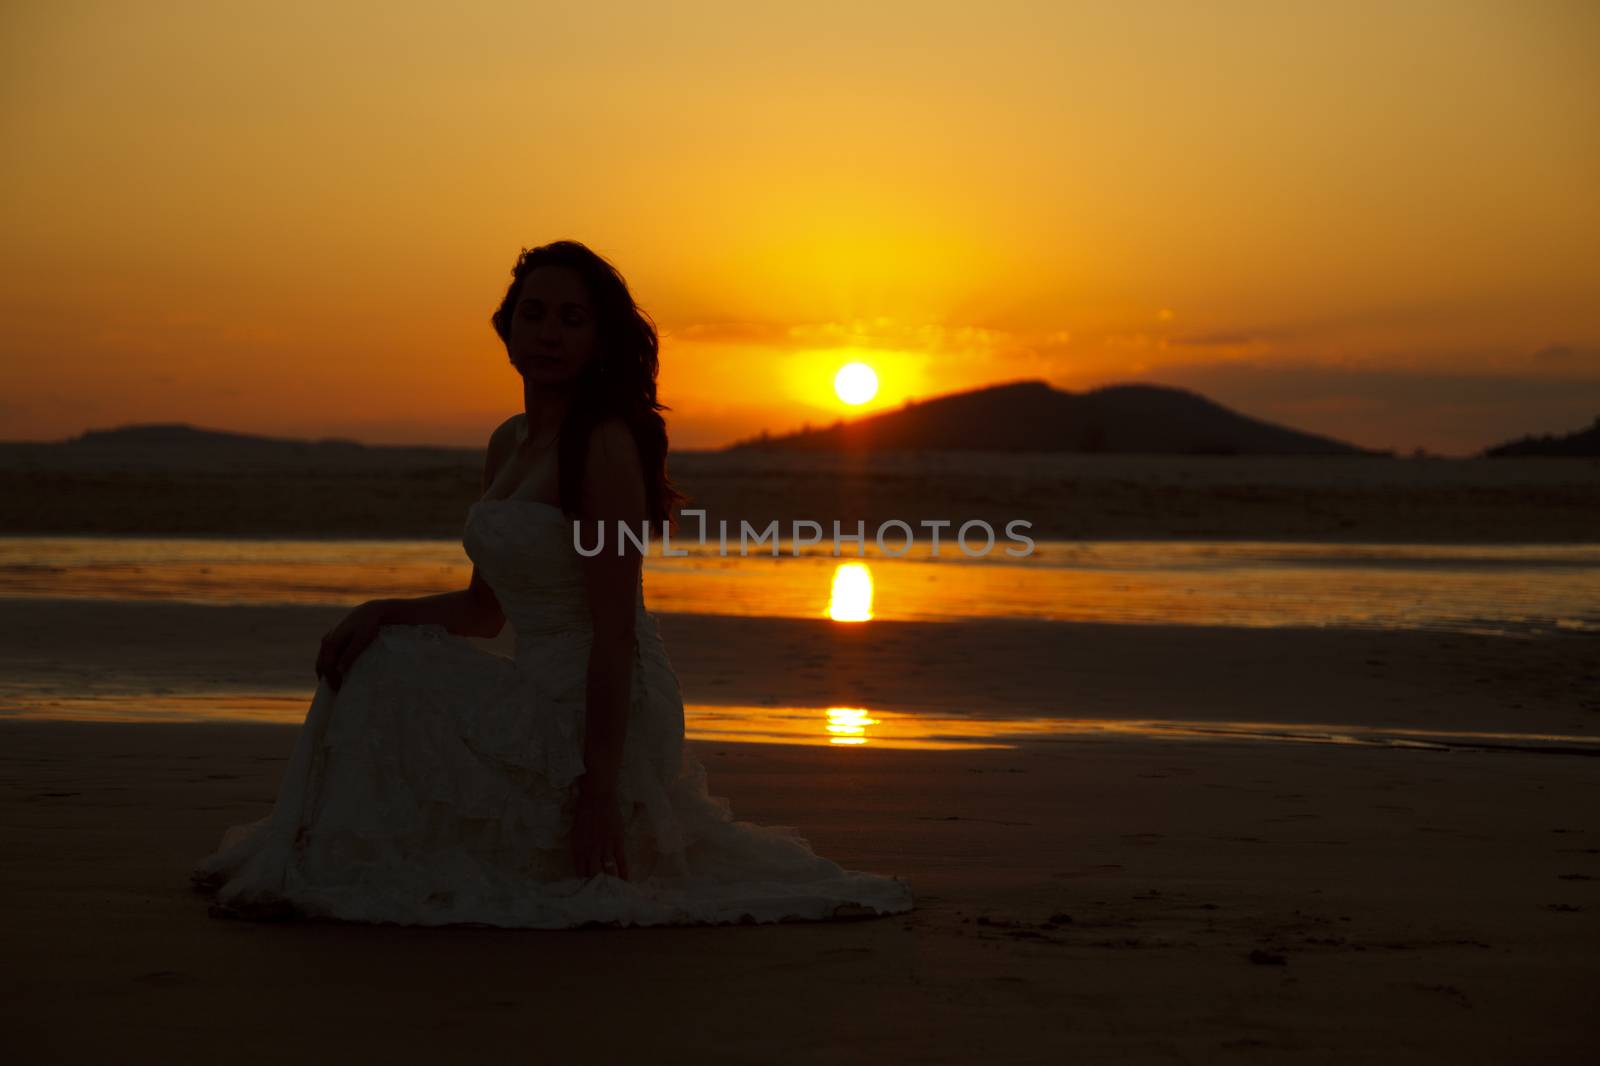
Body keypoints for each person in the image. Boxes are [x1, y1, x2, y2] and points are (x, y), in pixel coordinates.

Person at [190, 239, 914, 927]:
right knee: (380, 657)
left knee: (402, 695)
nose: (548, 332)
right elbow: (483, 612)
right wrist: (383, 609)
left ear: (600, 338)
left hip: (608, 705)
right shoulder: (508, 441)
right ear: (506, 326)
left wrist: (598, 787)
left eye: (572, 318)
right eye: (533, 312)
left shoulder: (602, 445)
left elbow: (615, 631)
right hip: (533, 691)